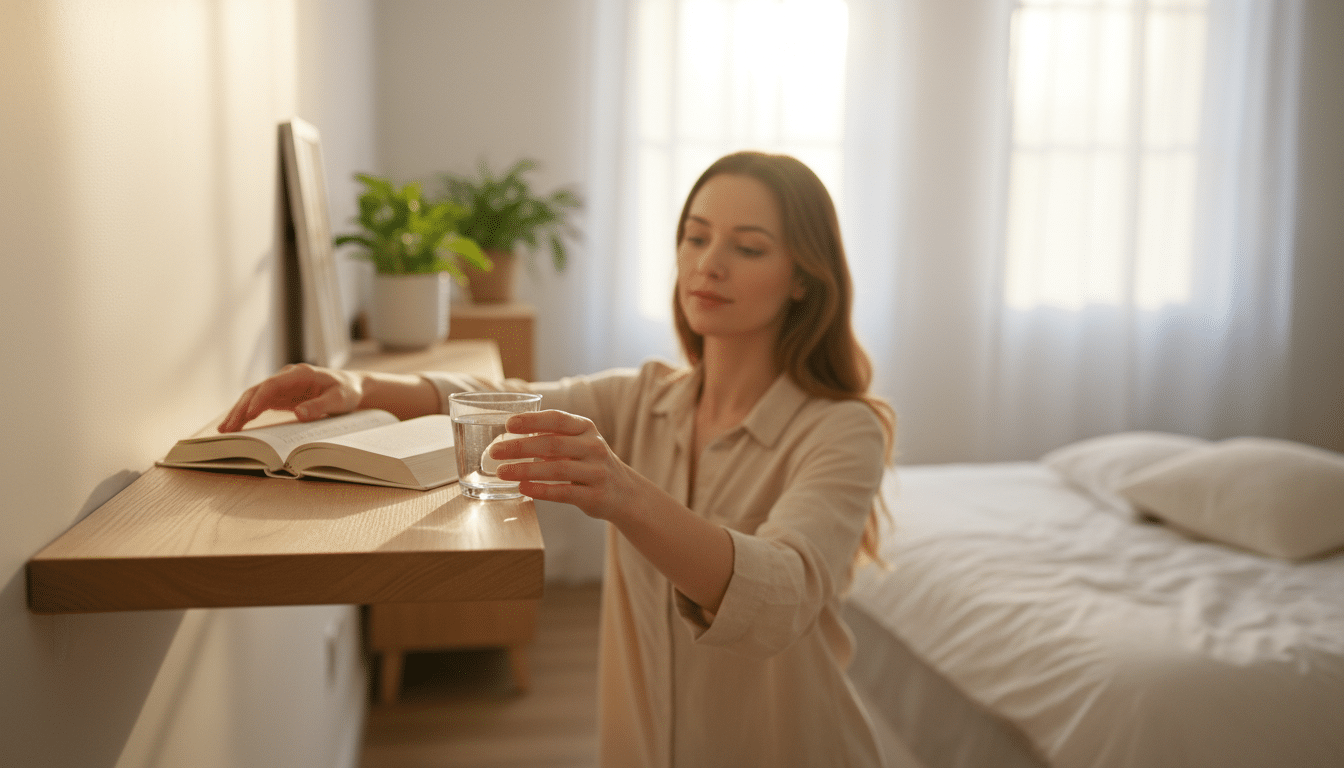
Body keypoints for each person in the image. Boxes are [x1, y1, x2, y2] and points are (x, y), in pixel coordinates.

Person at [220, 151, 897, 767]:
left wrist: (627, 496)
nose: (707, 263)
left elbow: (781, 595)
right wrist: (363, 387)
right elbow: (505, 399)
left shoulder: (844, 430)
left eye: (747, 247)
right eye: (695, 236)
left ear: (805, 279)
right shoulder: (645, 396)